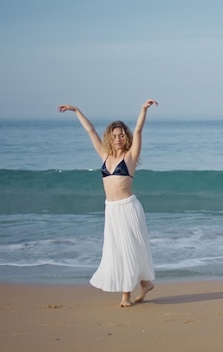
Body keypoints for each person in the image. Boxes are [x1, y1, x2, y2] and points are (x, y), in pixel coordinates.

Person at [57, 99, 158, 307]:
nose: (118, 138)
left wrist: (143, 109)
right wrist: (77, 110)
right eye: (114, 136)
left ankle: (125, 296)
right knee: (119, 252)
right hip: (111, 210)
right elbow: (90, 130)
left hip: (128, 208)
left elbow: (138, 129)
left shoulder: (130, 157)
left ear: (125, 137)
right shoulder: (104, 156)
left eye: (121, 135)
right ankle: (145, 283)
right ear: (109, 139)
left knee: (128, 250)